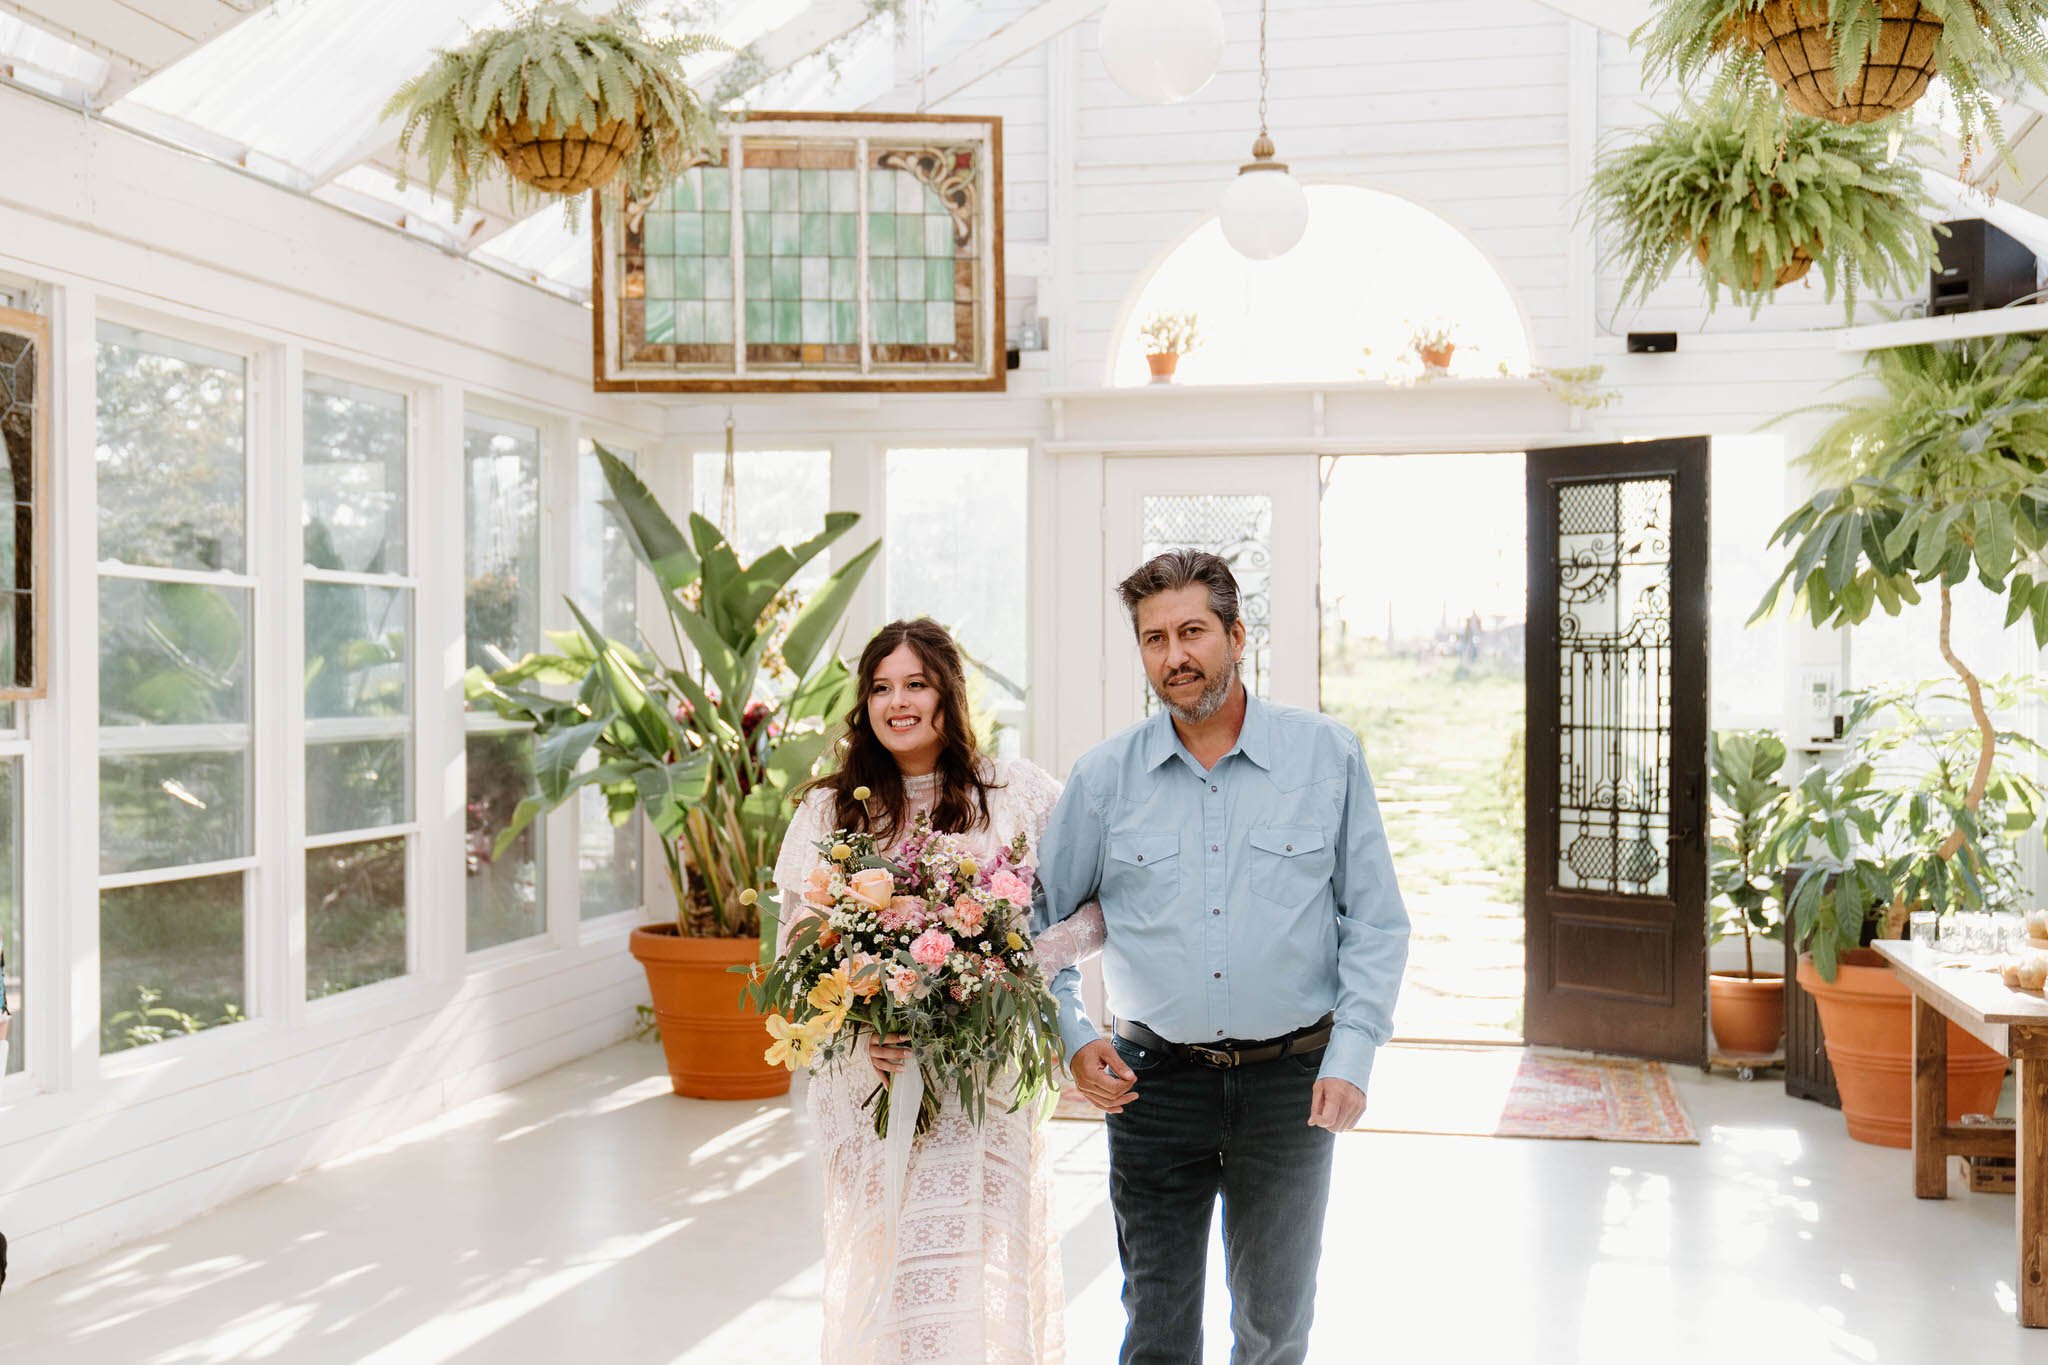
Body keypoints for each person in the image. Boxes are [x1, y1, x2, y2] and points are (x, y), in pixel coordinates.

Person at [1032, 550, 1410, 1365]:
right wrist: (1072, 1033)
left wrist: (1353, 1054)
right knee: (1157, 1327)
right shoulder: (1102, 780)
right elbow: (1041, 930)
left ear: (1237, 635)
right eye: (1155, 637)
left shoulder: (1326, 757)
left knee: (1275, 1326)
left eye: (1194, 630)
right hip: (1152, 1083)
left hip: (1291, 1085)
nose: (1176, 655)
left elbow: (1375, 919)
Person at [773, 617, 1103, 1365]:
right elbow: (797, 936)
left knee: (977, 1258)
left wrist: (1015, 965)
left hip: (984, 1078)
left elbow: (1095, 904)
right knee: (890, 1261)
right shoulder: (831, 808)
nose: (898, 702)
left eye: (915, 683)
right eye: (881, 687)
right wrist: (861, 1026)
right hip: (874, 1073)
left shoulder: (1013, 791)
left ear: (948, 694)